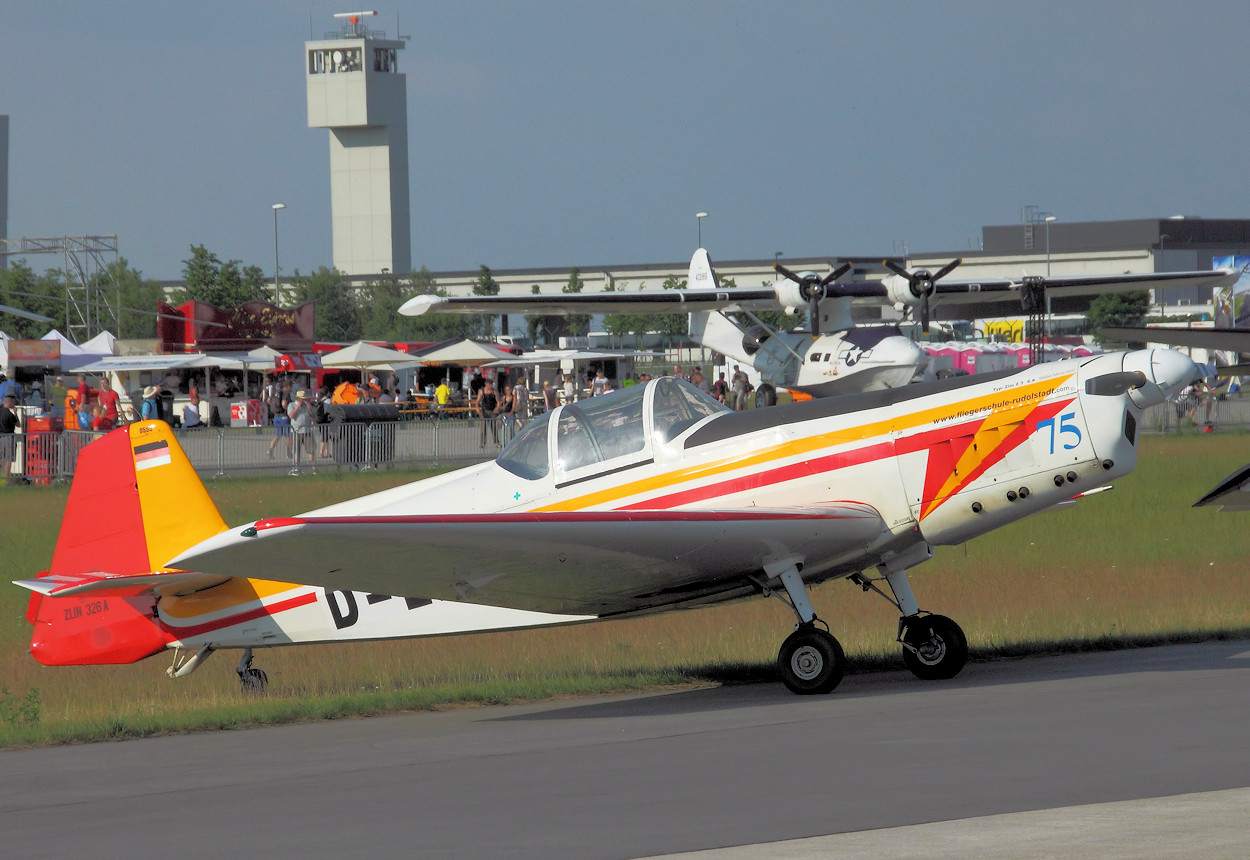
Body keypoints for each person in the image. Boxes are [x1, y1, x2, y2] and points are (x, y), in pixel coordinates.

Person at [288, 389, 316, 471]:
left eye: (304, 399)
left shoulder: (307, 405)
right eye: (302, 399)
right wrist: (297, 407)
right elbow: (291, 416)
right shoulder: (292, 405)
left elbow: (313, 415)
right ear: (298, 398)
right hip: (296, 431)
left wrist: (310, 409)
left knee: (311, 450)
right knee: (297, 451)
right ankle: (296, 468)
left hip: (307, 431)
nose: (304, 400)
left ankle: (314, 468)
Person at [267, 384, 292, 459]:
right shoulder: (285, 393)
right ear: (287, 387)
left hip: (276, 417)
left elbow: (269, 401)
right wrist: (288, 409)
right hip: (283, 416)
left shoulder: (274, 393)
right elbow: (284, 403)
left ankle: (270, 450)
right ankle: (289, 453)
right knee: (288, 436)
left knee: (278, 435)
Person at [0, 394, 18, 479]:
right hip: (8, 437)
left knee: (1, 458)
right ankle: (7, 480)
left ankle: (1, 477)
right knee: (8, 459)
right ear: (9, 402)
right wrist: (15, 413)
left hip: (1, 437)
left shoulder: (0, 411)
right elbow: (18, 424)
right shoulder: (9, 414)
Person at [476, 380, 499, 447]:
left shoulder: (494, 391)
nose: (490, 385)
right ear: (486, 384)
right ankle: (482, 443)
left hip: (492, 410)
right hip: (484, 410)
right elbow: (477, 401)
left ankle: (496, 441)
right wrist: (477, 408)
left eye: (491, 384)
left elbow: (498, 401)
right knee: (483, 428)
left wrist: (497, 407)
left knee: (494, 427)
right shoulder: (482, 391)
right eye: (489, 384)